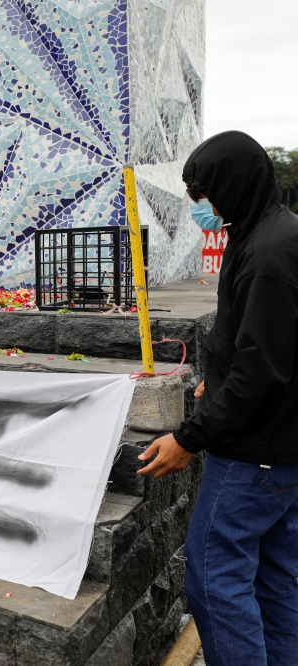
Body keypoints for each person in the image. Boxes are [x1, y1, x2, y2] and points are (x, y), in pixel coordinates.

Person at [137, 131, 298, 666]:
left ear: (233, 183)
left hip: (254, 454)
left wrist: (189, 437)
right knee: (276, 579)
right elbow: (271, 344)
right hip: (282, 446)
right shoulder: (268, 233)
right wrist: (221, 374)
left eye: (205, 196)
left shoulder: (270, 253)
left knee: (214, 578)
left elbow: (263, 369)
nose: (203, 210)